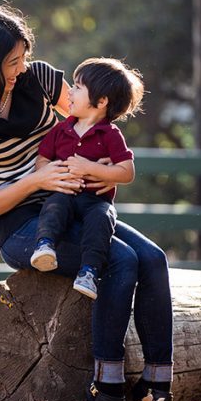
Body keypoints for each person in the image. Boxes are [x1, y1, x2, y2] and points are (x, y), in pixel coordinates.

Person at [0, 5, 172, 401]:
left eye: (23, 57)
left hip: (77, 204)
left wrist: (100, 163)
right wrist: (37, 178)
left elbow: (92, 115)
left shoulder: (42, 79)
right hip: (23, 227)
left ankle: (160, 387)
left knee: (153, 258)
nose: (21, 68)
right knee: (119, 262)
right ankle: (108, 392)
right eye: (12, 62)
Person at [29, 58, 144, 300]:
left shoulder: (111, 135)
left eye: (78, 87)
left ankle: (89, 272)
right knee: (54, 206)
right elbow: (42, 159)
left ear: (101, 102)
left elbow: (127, 172)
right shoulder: (60, 130)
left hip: (96, 201)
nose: (69, 91)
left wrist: (90, 168)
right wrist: (55, 173)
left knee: (101, 222)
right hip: (66, 192)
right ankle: (45, 246)